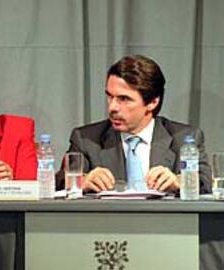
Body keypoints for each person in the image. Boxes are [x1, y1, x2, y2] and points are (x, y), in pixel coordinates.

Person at [56, 54, 212, 193]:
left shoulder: (185, 138)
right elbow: (59, 183)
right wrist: (81, 182)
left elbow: (205, 184)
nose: (112, 107)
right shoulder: (87, 139)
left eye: (124, 99)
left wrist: (180, 182)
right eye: (110, 97)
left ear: (152, 102)